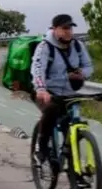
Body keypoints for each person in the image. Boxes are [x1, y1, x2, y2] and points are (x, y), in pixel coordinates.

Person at [29, 14, 94, 163]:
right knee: (51, 109)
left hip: (69, 92)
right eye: (64, 28)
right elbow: (37, 69)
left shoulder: (78, 46)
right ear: (55, 29)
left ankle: (73, 167)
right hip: (47, 91)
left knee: (71, 125)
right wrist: (41, 89)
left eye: (70, 28)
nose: (68, 31)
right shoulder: (45, 47)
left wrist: (82, 74)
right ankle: (41, 147)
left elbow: (89, 66)